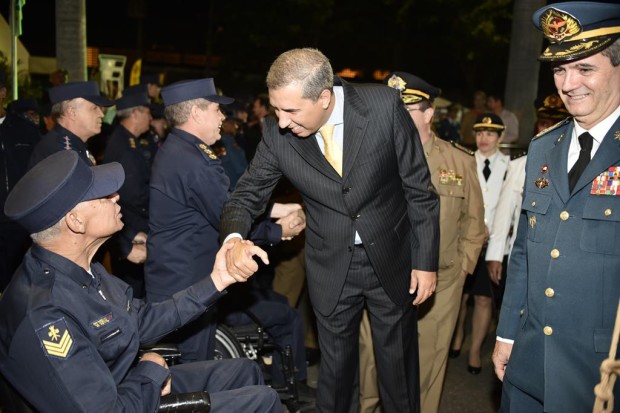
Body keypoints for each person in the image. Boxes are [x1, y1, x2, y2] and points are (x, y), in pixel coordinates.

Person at [220, 48, 440, 412]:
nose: (282, 121)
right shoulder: (276, 134)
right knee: (335, 379)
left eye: (291, 111)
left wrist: (426, 262)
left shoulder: (384, 107)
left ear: (324, 98)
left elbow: (420, 192)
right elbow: (246, 195)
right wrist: (233, 239)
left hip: (391, 258)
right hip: (330, 265)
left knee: (398, 373)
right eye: (276, 109)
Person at [0, 150, 282, 413]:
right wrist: (151, 370)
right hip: (121, 400)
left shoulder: (83, 269)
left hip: (126, 384)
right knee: (263, 401)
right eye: (103, 195)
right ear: (76, 221)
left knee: (245, 371)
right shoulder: (45, 315)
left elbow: (140, 320)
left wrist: (219, 279)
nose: (116, 197)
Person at [492, 3, 620, 412]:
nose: (568, 84)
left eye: (585, 68)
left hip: (600, 370)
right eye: (560, 70)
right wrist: (506, 334)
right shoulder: (544, 147)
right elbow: (524, 251)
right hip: (529, 360)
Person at [145, 78, 305, 366]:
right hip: (188, 286)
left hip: (178, 282)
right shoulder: (193, 162)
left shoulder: (179, 151)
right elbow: (227, 215)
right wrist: (279, 231)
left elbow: (224, 201)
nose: (223, 117)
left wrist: (277, 209)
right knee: (194, 372)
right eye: (216, 109)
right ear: (196, 113)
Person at [358, 72, 484, 413]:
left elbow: (474, 223)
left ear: (429, 114)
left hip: (441, 281)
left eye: (407, 110)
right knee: (371, 361)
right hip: (381, 277)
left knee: (427, 364)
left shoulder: (459, 162)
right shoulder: (370, 156)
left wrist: (462, 270)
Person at [485, 94, 568, 312]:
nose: (548, 129)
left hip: (561, 262)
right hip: (522, 258)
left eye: (555, 123)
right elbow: (504, 214)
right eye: (544, 123)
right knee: (514, 311)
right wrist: (495, 256)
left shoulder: (575, 165)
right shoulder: (519, 166)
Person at [451, 112, 509, 375]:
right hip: (464, 240)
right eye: (480, 133)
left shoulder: (510, 165)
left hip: (494, 243)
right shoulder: (463, 160)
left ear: (500, 136)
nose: (484, 138)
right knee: (460, 295)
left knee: (484, 298)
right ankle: (457, 335)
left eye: (490, 133)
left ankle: (475, 351)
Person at [102, 90, 153, 298]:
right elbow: (132, 195)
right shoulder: (124, 145)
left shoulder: (129, 140)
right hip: (131, 228)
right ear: (135, 113)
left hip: (132, 226)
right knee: (132, 292)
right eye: (147, 112)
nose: (151, 117)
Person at [0, 98, 43, 291]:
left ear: (3, 92)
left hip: (21, 223)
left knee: (21, 284)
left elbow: (40, 171)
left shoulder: (25, 129)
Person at [28, 81, 113, 168]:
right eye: (94, 108)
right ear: (72, 113)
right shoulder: (61, 153)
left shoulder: (69, 145)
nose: (101, 114)